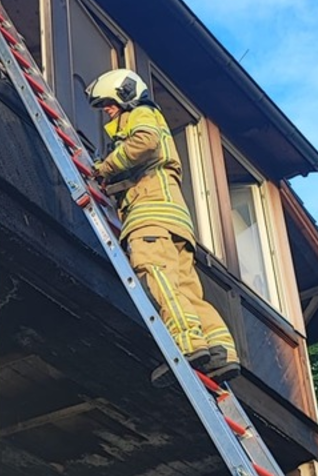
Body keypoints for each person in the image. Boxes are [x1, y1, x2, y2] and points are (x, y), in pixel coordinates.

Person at [86, 69, 240, 383]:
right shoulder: (151, 121)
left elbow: (145, 142)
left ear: (125, 94)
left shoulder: (142, 114)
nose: (108, 112)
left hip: (151, 215)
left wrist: (104, 167)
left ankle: (187, 344)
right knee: (186, 289)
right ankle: (221, 352)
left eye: (109, 104)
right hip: (175, 220)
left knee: (155, 272)